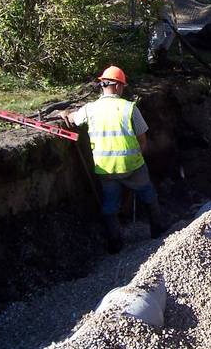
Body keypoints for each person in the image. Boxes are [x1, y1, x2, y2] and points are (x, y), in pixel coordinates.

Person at [60, 66, 165, 253]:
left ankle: (114, 243)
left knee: (110, 206)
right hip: (132, 166)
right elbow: (143, 140)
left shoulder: (90, 109)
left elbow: (73, 119)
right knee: (149, 194)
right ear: (117, 86)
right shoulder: (129, 108)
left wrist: (64, 114)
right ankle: (158, 231)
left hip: (106, 169)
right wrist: (136, 159)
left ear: (103, 85)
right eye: (123, 86)